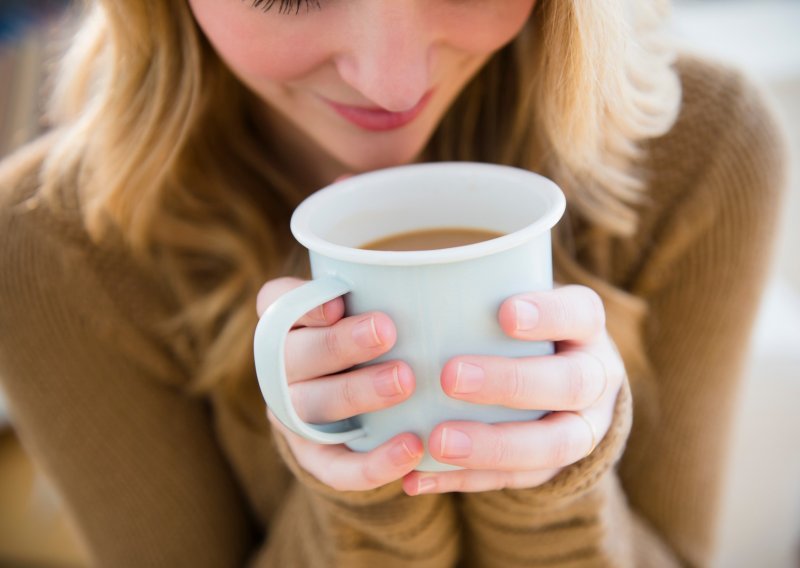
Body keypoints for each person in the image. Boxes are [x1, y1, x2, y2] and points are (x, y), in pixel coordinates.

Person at [0, 1, 786, 566]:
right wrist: (360, 496)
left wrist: (557, 487)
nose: (390, 81)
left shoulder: (703, 150)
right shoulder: (49, 245)